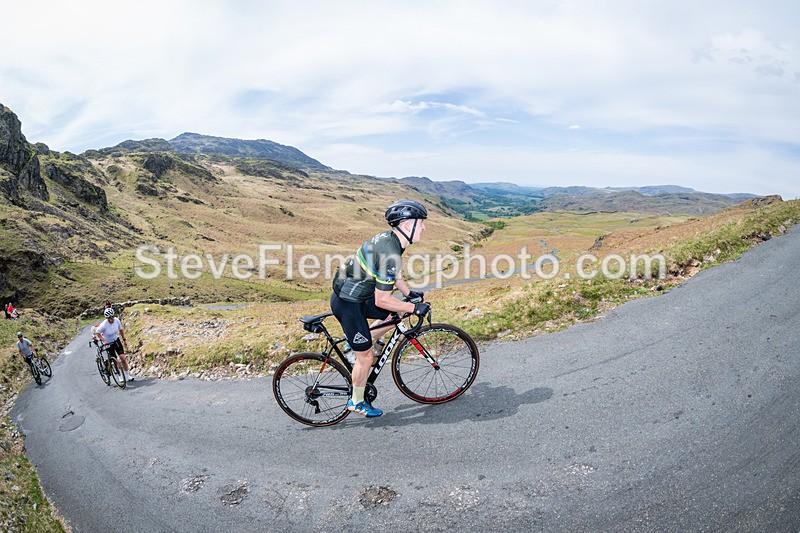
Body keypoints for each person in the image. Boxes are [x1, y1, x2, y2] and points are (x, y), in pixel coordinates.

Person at [330, 200, 431, 417]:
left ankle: (357, 346)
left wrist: (407, 294)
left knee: (399, 310)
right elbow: (382, 300)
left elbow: (394, 273)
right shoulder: (391, 251)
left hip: (358, 295)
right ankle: (356, 402)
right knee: (365, 358)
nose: (423, 227)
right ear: (406, 225)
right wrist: (414, 309)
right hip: (348, 302)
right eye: (421, 223)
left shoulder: (391, 240)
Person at [95, 308, 134, 382]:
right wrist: (104, 340)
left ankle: (127, 375)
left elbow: (121, 329)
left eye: (112, 316)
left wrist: (124, 339)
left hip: (116, 340)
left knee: (122, 357)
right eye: (109, 318)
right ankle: (119, 375)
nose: (111, 319)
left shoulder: (117, 320)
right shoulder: (104, 325)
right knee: (114, 360)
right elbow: (97, 333)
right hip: (108, 342)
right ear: (107, 318)